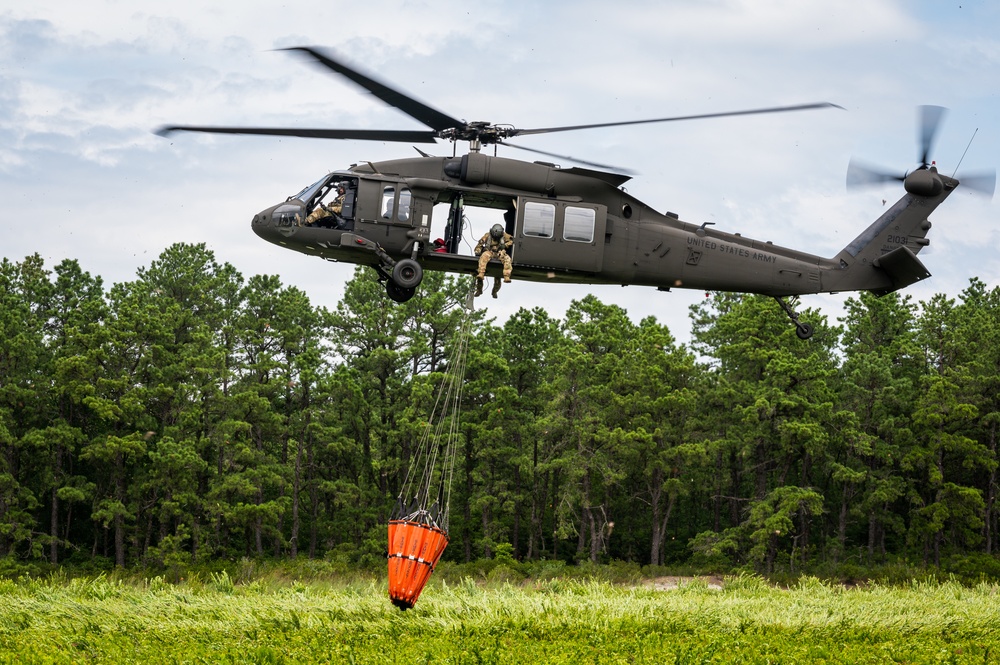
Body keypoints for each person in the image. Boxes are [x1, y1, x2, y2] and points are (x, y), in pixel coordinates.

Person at [474, 223, 513, 298]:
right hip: (489, 252)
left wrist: (505, 245)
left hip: (499, 252)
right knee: (484, 257)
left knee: (507, 259)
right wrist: (478, 250)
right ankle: (481, 275)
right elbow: (480, 244)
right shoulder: (487, 235)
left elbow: (511, 241)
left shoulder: (505, 235)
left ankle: (506, 277)